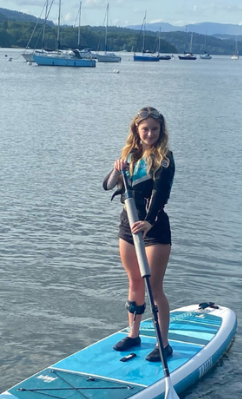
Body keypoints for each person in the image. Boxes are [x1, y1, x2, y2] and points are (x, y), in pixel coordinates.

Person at [103, 106, 175, 362]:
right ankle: (134, 334)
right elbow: (107, 186)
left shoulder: (164, 157)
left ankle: (163, 344)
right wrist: (116, 168)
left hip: (153, 228)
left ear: (160, 131)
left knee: (154, 287)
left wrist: (148, 221)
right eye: (145, 129)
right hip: (127, 225)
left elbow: (161, 193)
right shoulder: (130, 156)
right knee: (134, 281)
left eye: (155, 129)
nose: (150, 133)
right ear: (137, 129)